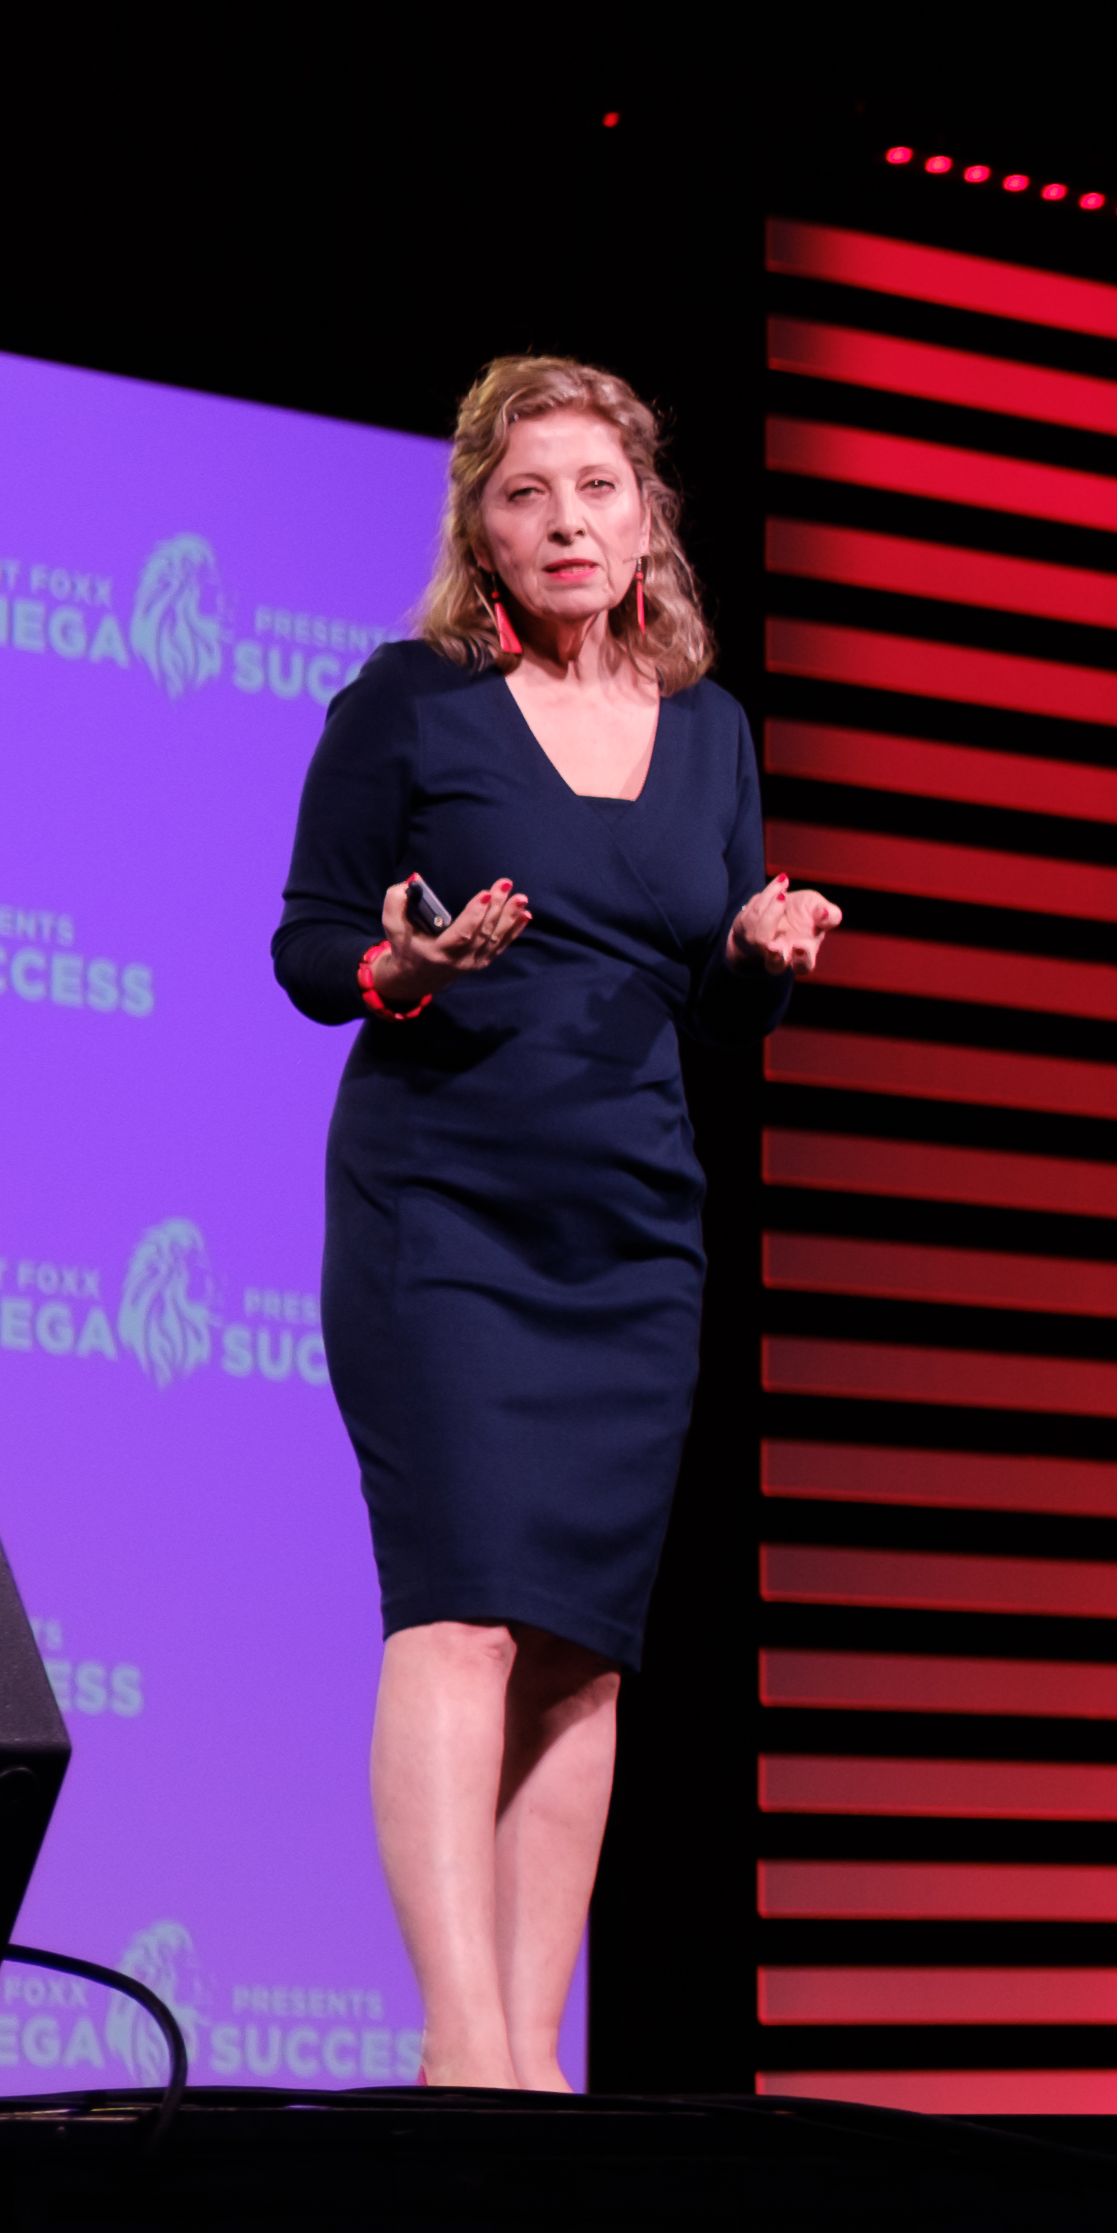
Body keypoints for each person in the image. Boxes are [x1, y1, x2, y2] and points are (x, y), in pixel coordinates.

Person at [269, 355, 835, 2091]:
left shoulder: (712, 729)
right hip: (443, 1210)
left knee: (583, 1658)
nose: (567, 522)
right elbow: (308, 948)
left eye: (597, 488)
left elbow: (715, 1006)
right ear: (483, 534)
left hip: (632, 1230)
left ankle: (536, 2067)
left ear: (647, 516)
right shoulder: (410, 704)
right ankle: (466, 2054)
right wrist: (408, 965)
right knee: (461, 1615)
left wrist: (761, 958)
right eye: (527, 496)